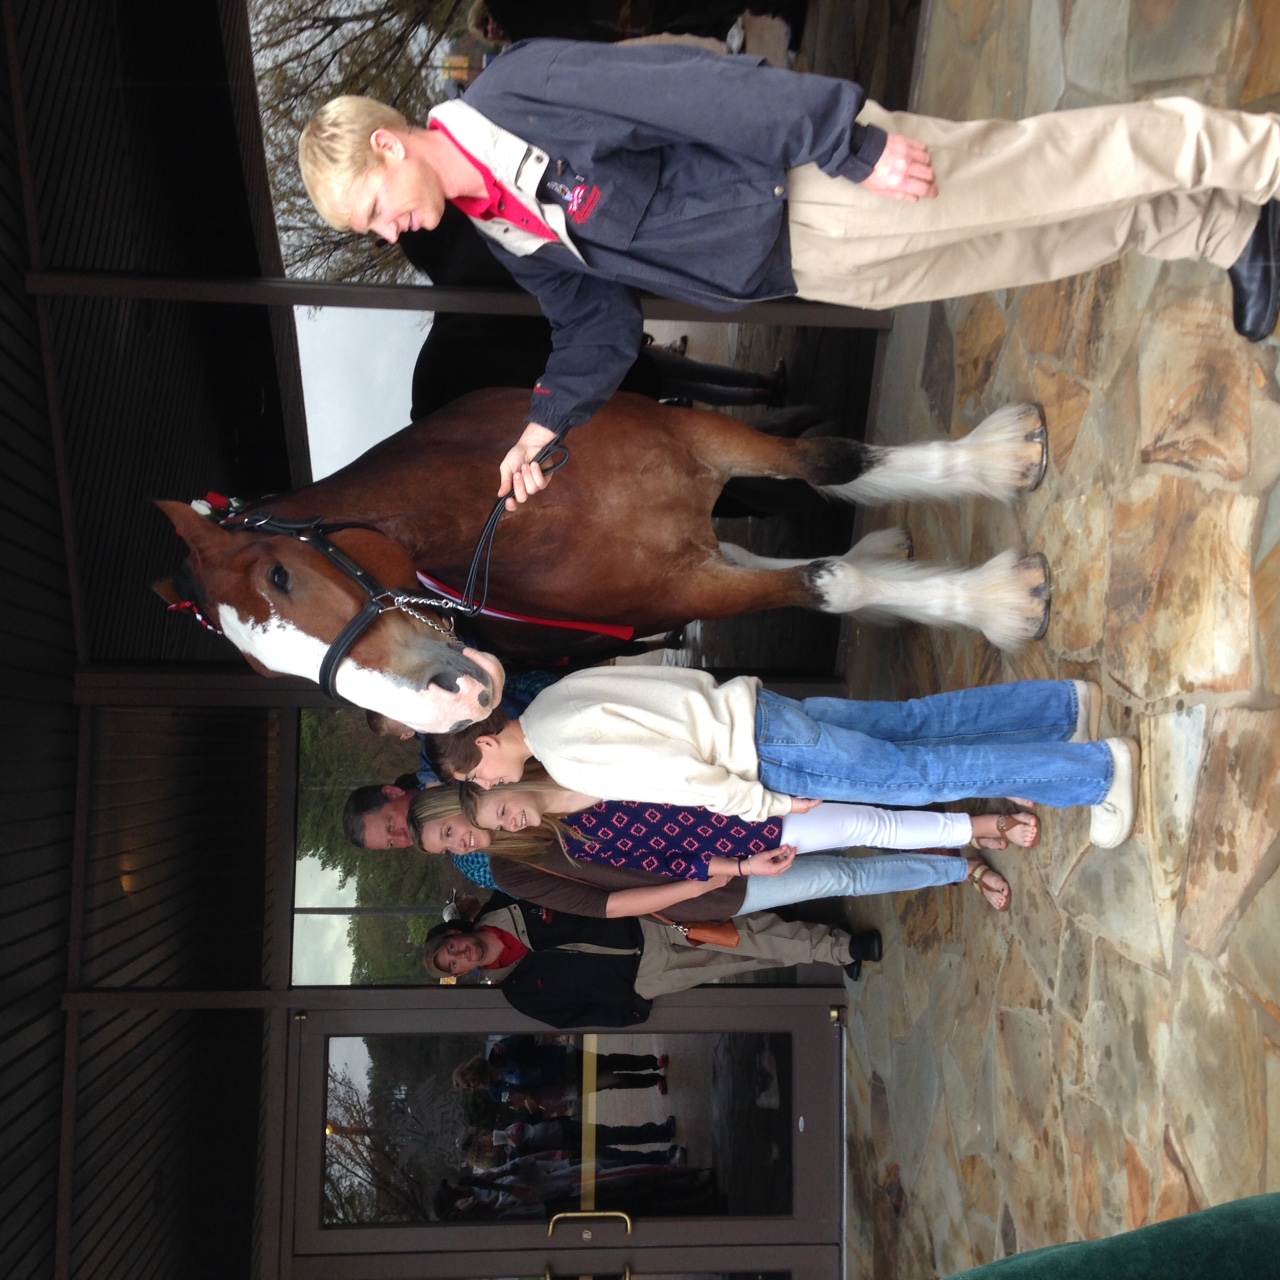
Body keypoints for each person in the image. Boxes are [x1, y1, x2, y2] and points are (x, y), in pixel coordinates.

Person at [299, 41, 1280, 511]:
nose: (386, 233)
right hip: (801, 260)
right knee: (1024, 245)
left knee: (1050, 166)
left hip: (811, 183)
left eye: (372, 210)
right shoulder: (498, 226)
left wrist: (844, 143)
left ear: (391, 147)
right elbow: (590, 322)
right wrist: (546, 422)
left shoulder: (518, 95)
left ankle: (1251, 158)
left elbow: (694, 91)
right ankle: (1216, 228)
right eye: (369, 231)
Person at [423, 670, 1139, 850]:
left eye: (474, 774)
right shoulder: (551, 703)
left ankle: (1097, 773)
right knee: (913, 728)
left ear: (483, 742)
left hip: (759, 755)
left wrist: (764, 805)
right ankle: (1062, 706)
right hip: (758, 711)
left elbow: (677, 777)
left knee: (920, 778)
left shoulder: (561, 753)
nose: (484, 784)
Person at [407, 776, 1031, 912]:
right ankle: (960, 863)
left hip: (733, 800)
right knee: (847, 872)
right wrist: (721, 873)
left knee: (864, 817)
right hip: (718, 870)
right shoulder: (520, 866)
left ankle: (975, 824)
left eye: (445, 830)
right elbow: (621, 893)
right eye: (447, 848)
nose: (460, 841)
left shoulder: (535, 769)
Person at [422, 891, 884, 1026]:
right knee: (741, 961)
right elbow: (578, 1016)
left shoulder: (513, 899)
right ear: (464, 974)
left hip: (648, 921)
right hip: (649, 976)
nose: (459, 956)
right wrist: (632, 1005)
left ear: (455, 933)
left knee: (745, 935)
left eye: (451, 949)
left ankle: (842, 947)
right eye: (454, 965)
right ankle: (830, 951)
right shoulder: (519, 994)